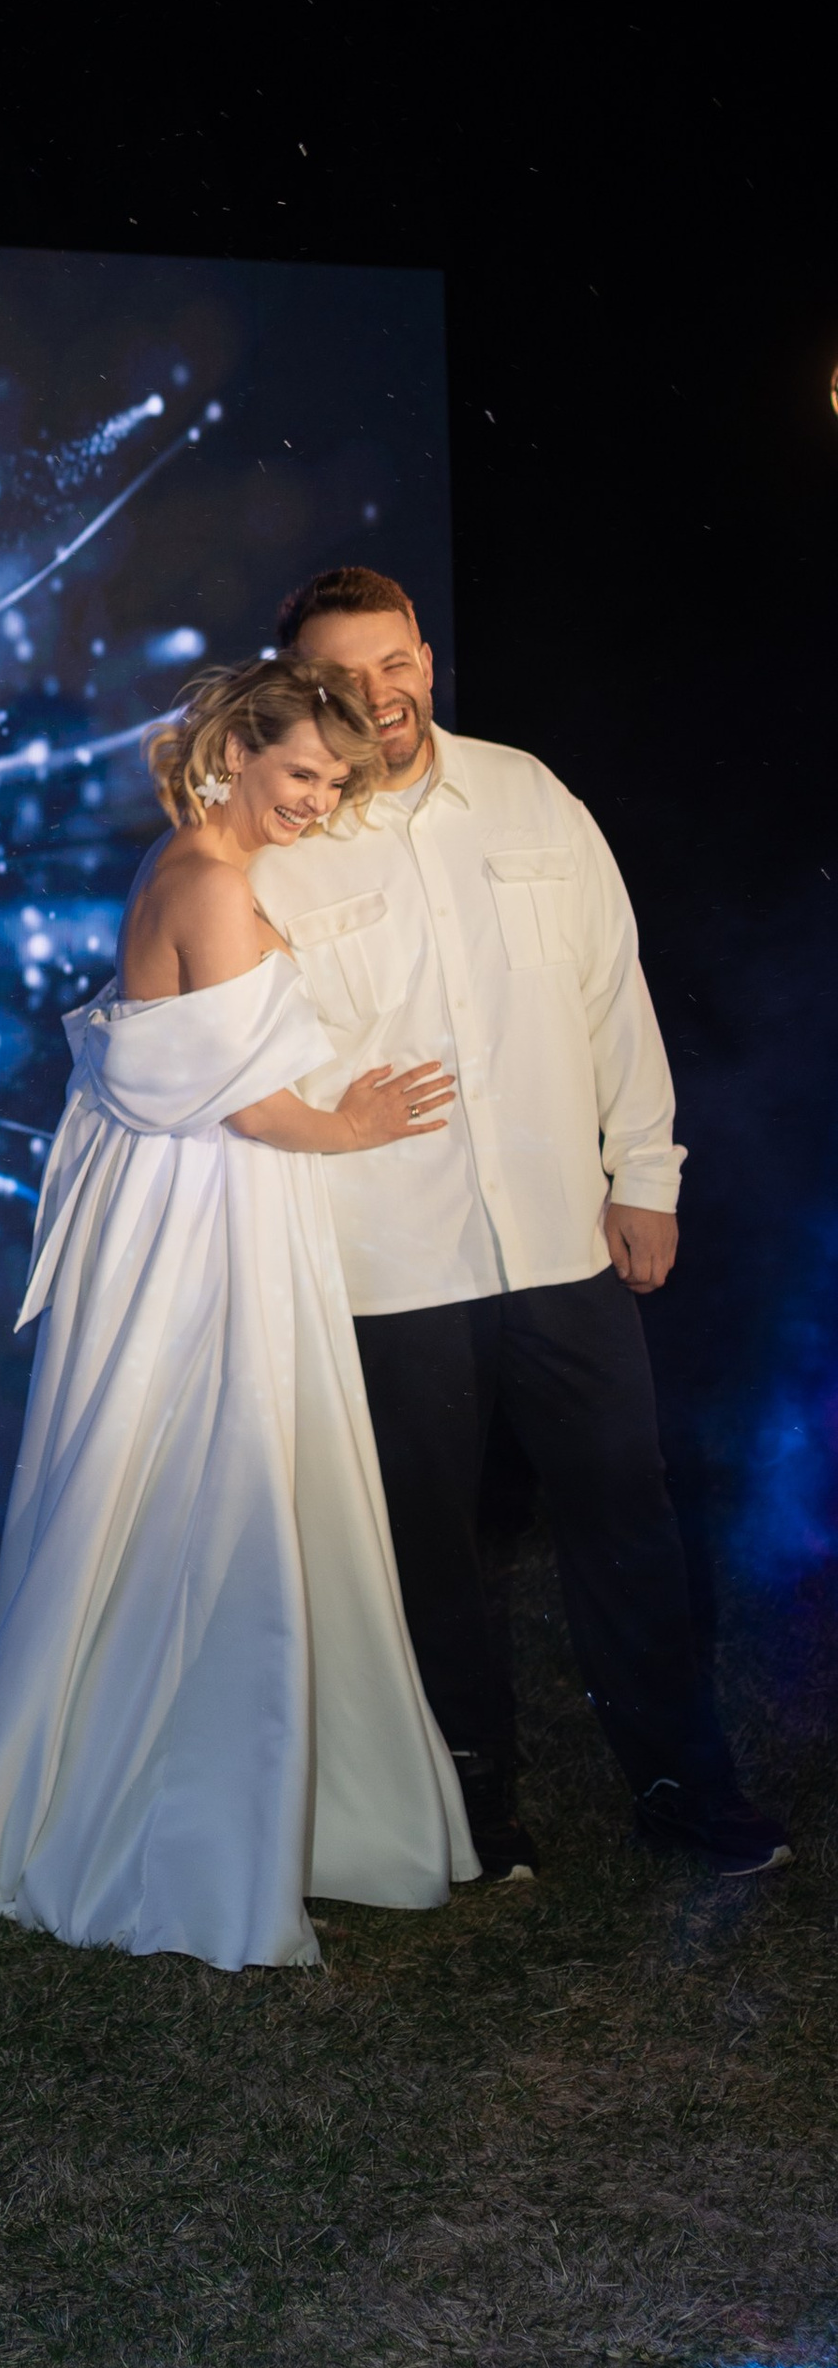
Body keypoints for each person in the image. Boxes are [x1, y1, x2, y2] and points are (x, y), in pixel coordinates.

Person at [0, 655, 474, 1969]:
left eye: (330, 784)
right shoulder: (211, 883)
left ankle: (208, 1769)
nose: (314, 801)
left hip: (194, 1203)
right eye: (299, 776)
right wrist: (354, 1123)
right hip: (203, 1214)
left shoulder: (192, 861)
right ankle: (169, 1802)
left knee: (197, 1471)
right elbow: (241, 1097)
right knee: (207, 1465)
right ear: (235, 751)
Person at [259, 565, 786, 1879]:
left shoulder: (529, 794)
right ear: (297, 687)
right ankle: (471, 1815)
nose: (376, 694)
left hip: (562, 1240)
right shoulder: (284, 839)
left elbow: (614, 987)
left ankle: (683, 1787)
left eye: (395, 662)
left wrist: (643, 1173)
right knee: (427, 1551)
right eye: (341, 673)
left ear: (426, 660)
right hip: (386, 1259)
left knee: (627, 1521)